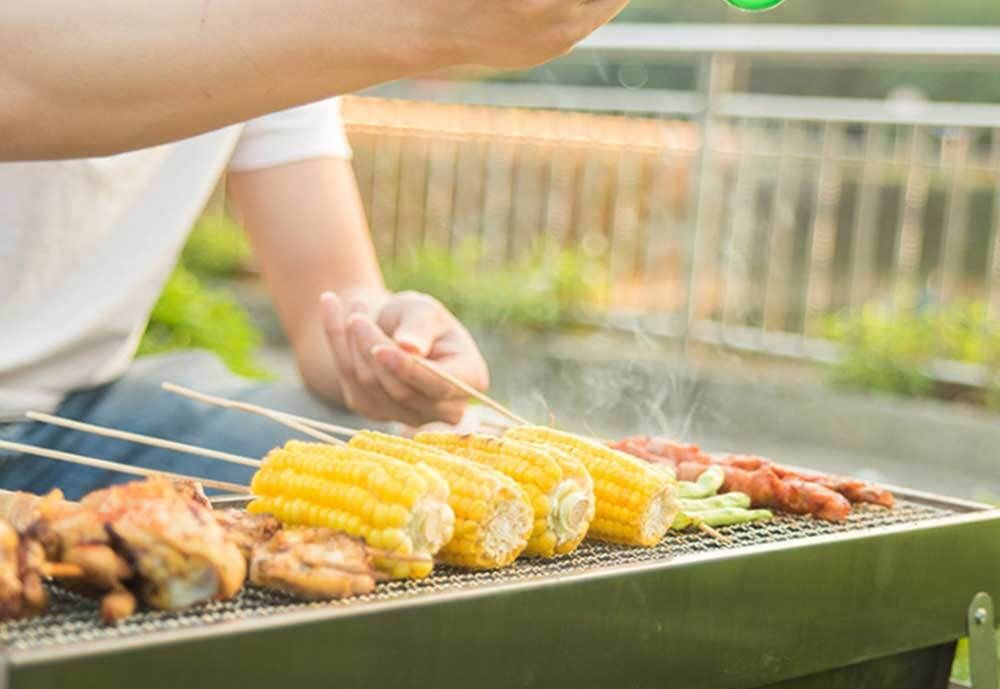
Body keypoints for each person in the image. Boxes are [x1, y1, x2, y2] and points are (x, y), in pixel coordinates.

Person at [0, 0, 628, 498]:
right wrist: (422, 19)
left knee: (418, 470)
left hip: (80, 417)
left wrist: (384, 341)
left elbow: (331, 304)